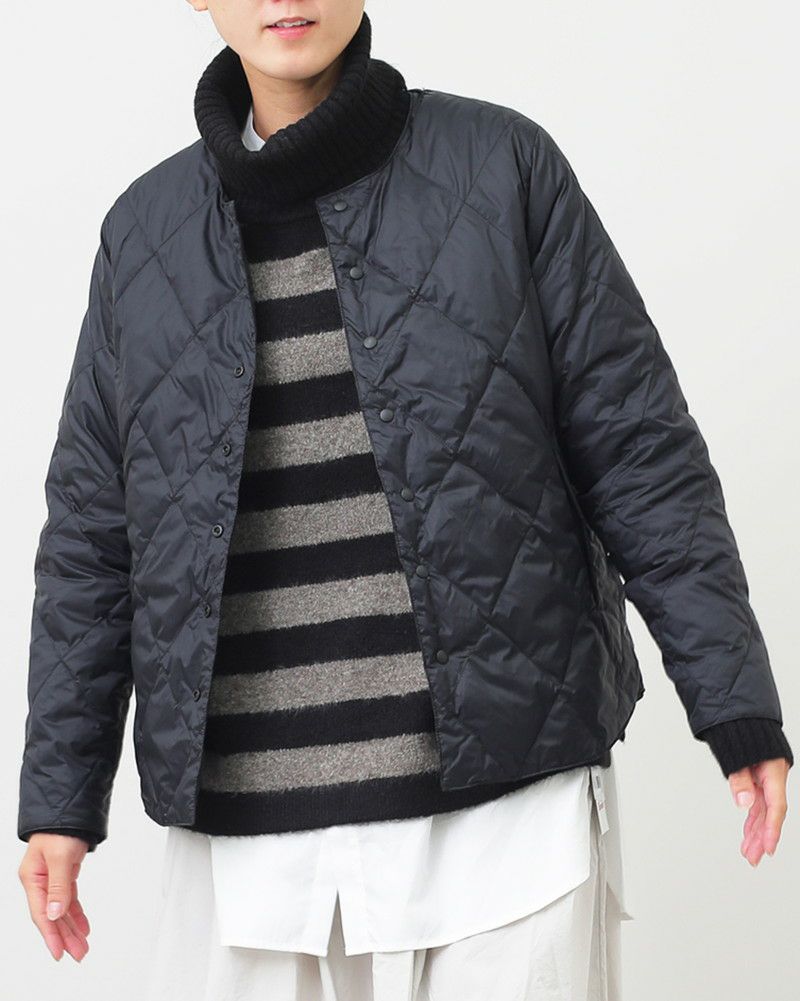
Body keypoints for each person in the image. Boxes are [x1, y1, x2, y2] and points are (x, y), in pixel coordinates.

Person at [17, 3, 793, 999]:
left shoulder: (500, 166)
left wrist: (733, 702)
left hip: (507, 823)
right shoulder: (145, 233)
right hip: (248, 848)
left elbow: (638, 449)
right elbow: (93, 535)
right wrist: (60, 797)